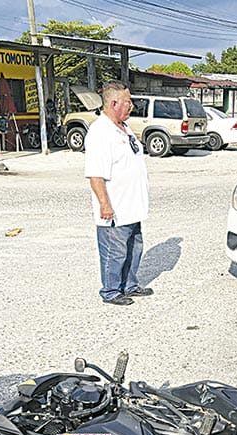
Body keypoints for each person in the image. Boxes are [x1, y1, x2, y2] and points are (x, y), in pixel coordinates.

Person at [84, 81, 153, 306]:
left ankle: (130, 285)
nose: (131, 105)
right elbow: (95, 175)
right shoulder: (100, 132)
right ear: (113, 103)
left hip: (133, 207)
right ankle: (111, 291)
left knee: (134, 249)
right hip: (116, 208)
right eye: (127, 102)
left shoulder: (124, 127)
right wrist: (105, 204)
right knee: (115, 253)